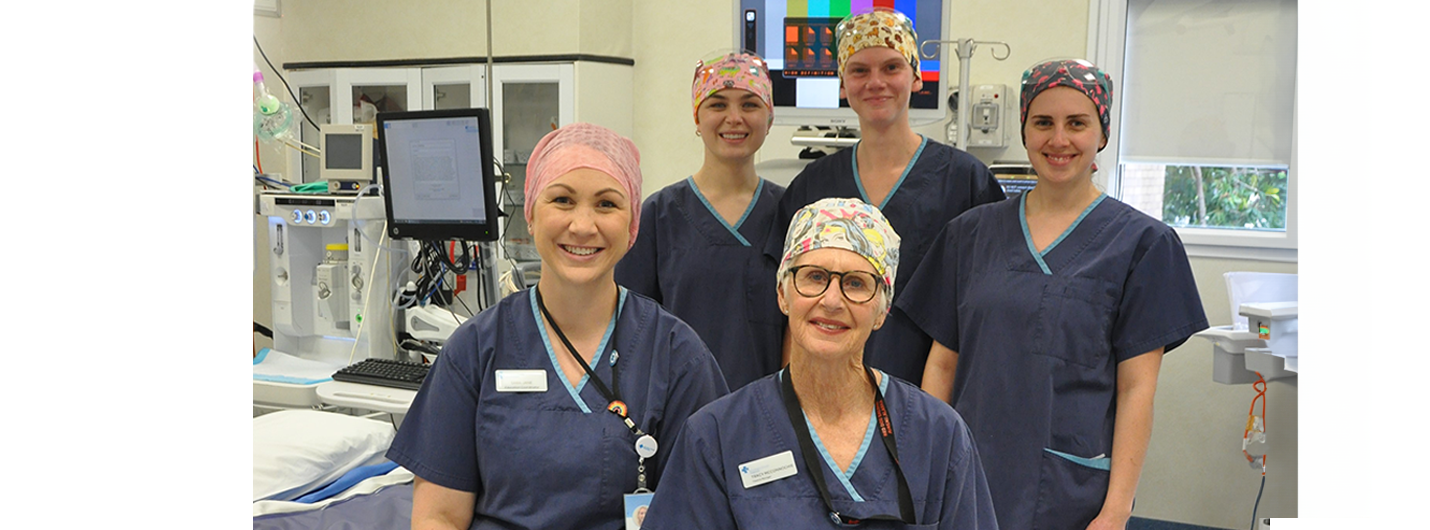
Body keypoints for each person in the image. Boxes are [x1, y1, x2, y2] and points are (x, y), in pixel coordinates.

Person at [898, 59, 1210, 530]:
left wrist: (1117, 510)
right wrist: (927, 469)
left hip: (1069, 491)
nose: (1059, 139)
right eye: (1043, 122)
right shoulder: (969, 234)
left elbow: (1137, 389)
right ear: (1025, 131)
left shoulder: (1143, 244)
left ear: (1102, 134)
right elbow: (942, 366)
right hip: (966, 475)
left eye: (1077, 123)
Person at [387, 123, 731, 530]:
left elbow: (700, 513)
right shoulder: (475, 349)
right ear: (531, 215)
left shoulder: (676, 354)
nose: (583, 226)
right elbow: (438, 516)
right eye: (562, 200)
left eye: (607, 204)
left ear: (632, 226)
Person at [644, 198, 997, 529]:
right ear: (782, 294)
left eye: (855, 284)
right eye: (814, 277)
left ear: (882, 310)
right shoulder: (716, 436)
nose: (832, 301)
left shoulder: (938, 435)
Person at [763, 8, 1005, 386]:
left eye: (891, 67)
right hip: (825, 392)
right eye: (859, 70)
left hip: (929, 394)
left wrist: (937, 413)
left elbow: (983, 311)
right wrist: (790, 401)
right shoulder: (814, 186)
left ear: (916, 76)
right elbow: (792, 314)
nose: (876, 82)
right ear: (843, 84)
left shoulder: (966, 183)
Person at [617, 52, 787, 391]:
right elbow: (631, 331)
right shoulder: (659, 216)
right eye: (718, 105)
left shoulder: (792, 214)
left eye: (750, 105)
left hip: (768, 406)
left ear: (769, 119)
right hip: (681, 406)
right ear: (697, 117)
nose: (734, 118)